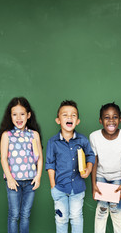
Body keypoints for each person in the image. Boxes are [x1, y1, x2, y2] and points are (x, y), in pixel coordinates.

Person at [45, 100, 95, 233]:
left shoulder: (82, 140)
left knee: (77, 217)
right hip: (59, 188)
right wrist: (53, 186)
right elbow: (50, 164)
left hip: (78, 188)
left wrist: (88, 170)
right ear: (58, 120)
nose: (69, 117)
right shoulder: (53, 142)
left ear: (77, 121)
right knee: (61, 219)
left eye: (73, 115)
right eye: (65, 115)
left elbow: (90, 156)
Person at [0, 97, 43, 233]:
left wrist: (38, 177)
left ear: (28, 115)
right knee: (14, 215)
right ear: (10, 116)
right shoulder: (7, 135)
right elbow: (3, 159)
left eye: (22, 114)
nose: (18, 118)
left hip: (30, 181)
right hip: (14, 182)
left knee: (25, 215)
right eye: (14, 114)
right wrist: (10, 179)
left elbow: (39, 158)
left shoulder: (34, 135)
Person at [90, 102, 121, 233]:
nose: (111, 120)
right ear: (100, 120)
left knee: (115, 208)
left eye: (115, 117)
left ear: (120, 120)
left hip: (118, 177)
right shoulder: (94, 136)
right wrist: (94, 184)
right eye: (106, 117)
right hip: (101, 176)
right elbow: (94, 160)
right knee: (102, 208)